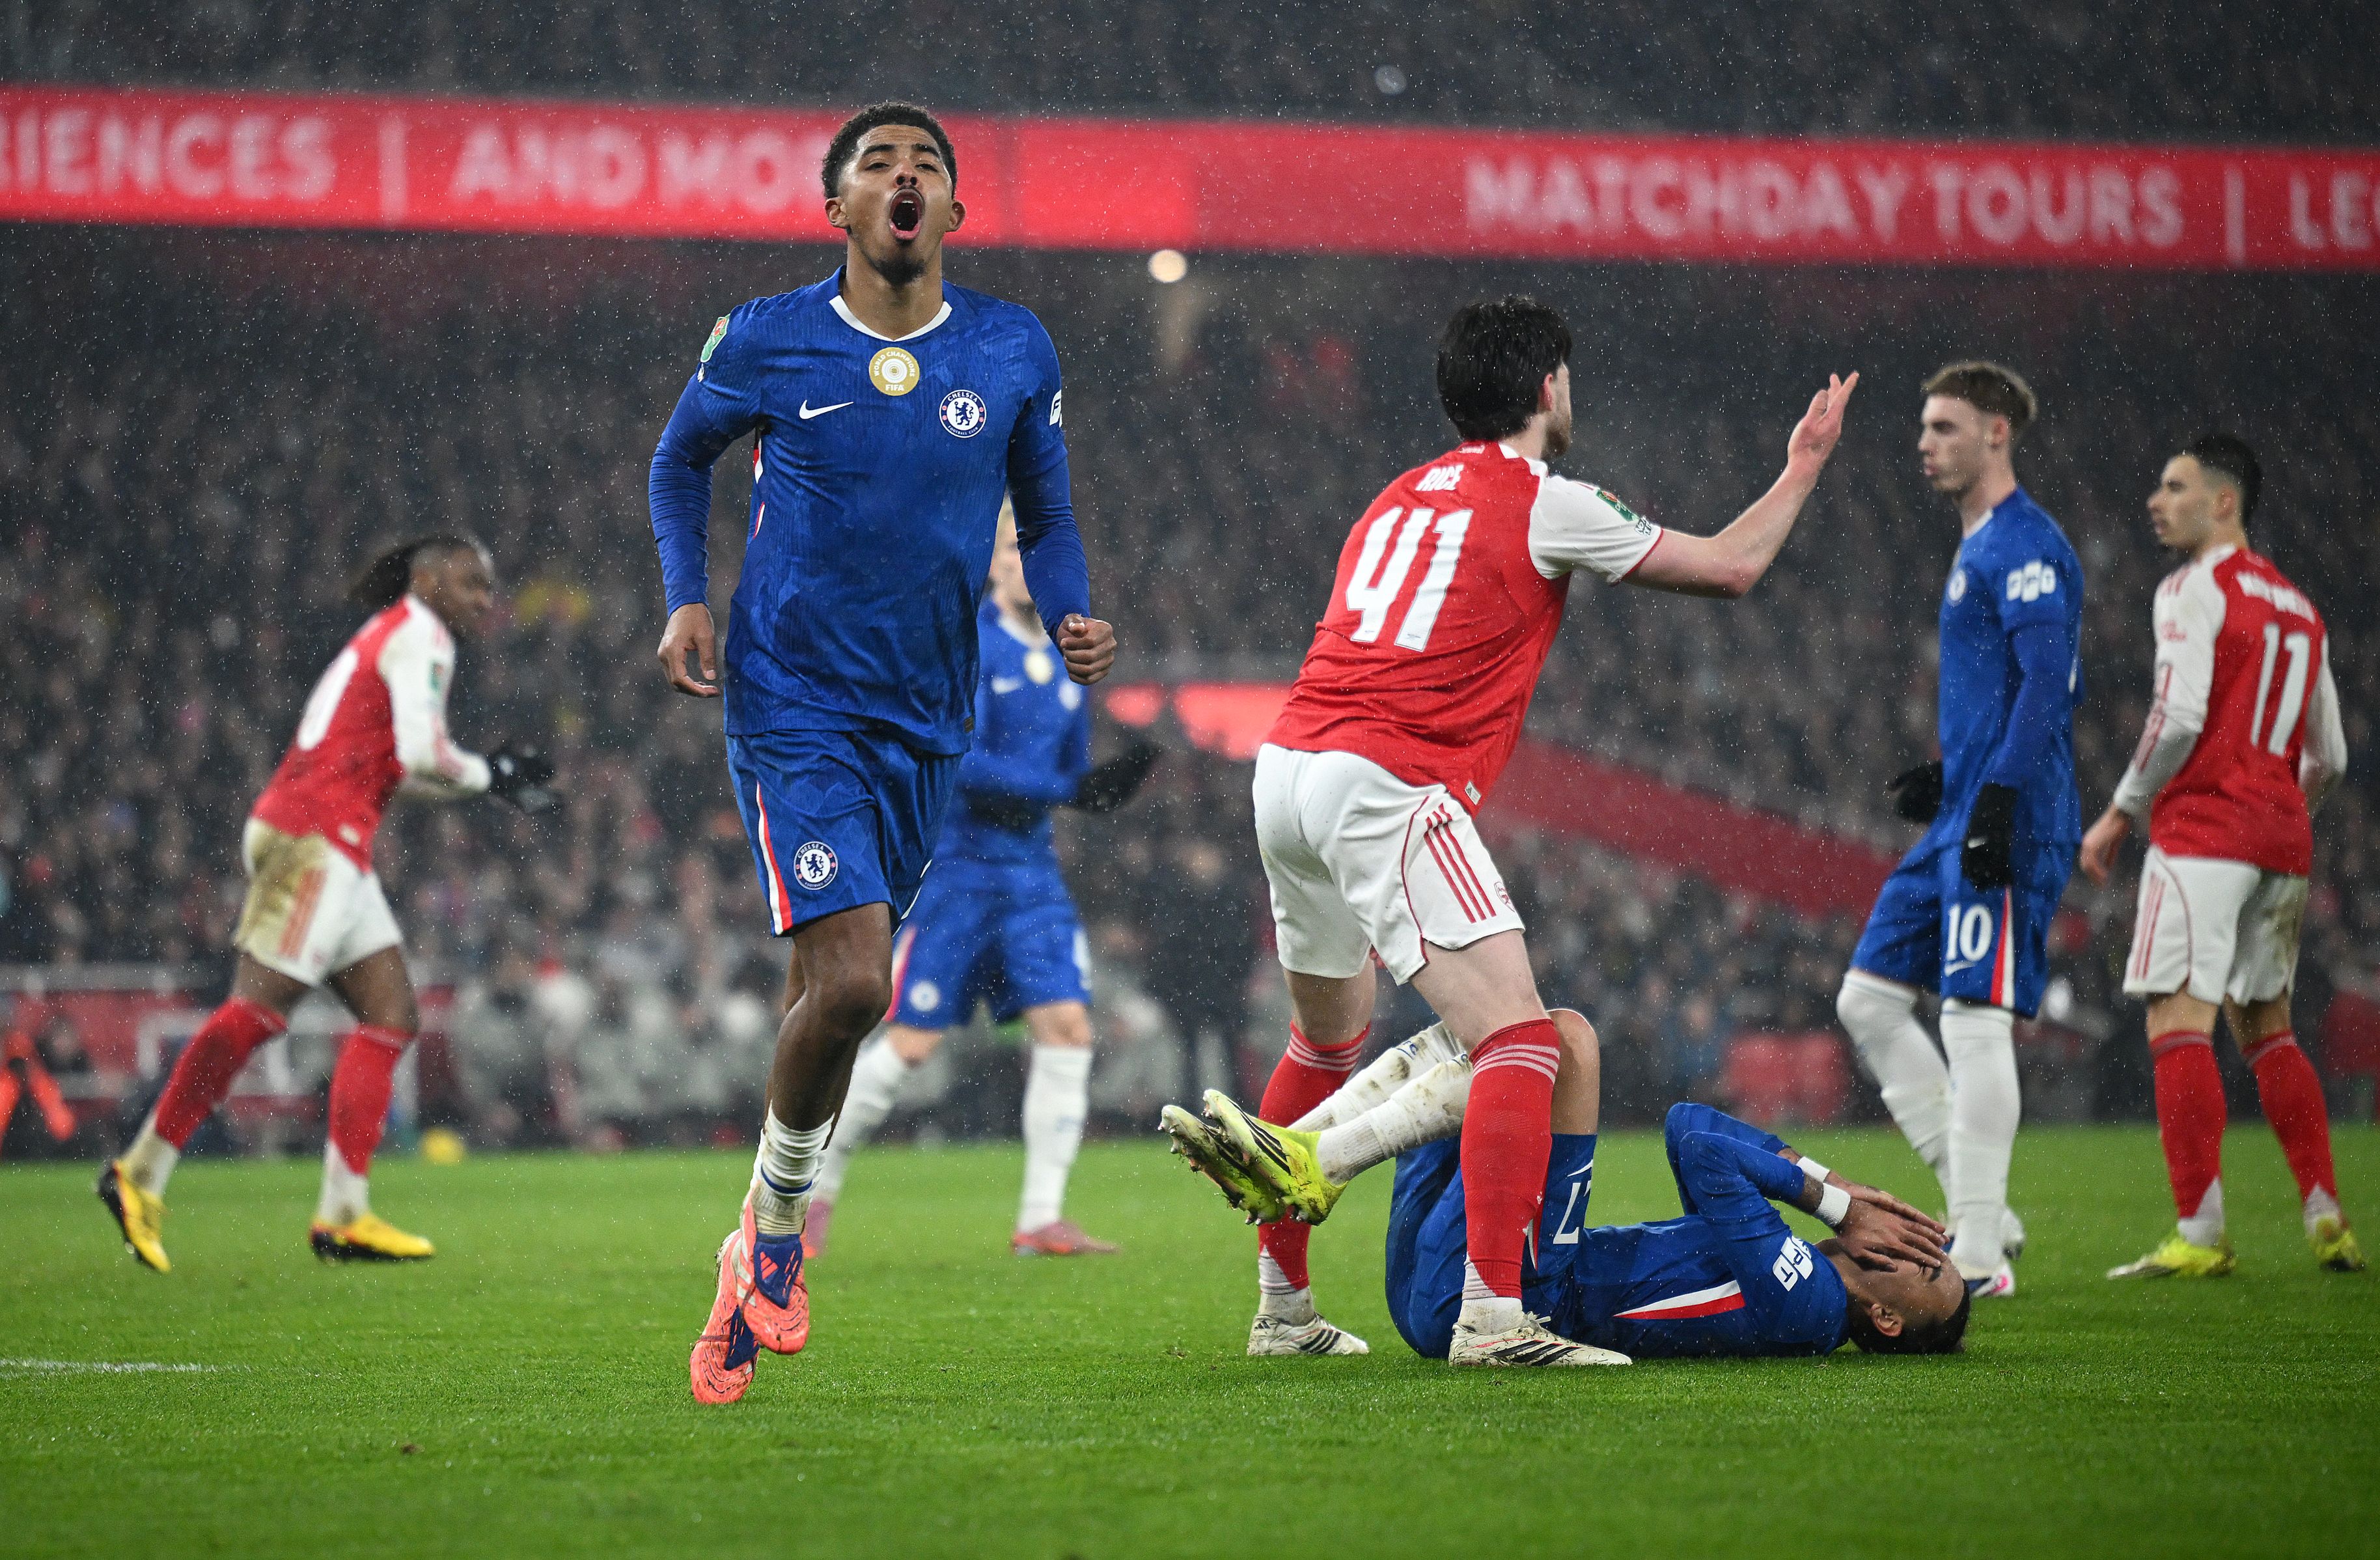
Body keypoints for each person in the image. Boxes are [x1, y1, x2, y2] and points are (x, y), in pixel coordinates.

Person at [1201, 294, 1857, 1365]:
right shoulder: (1544, 497)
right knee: (1521, 1039)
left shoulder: (1396, 496)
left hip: (1287, 766)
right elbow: (1731, 568)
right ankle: (1497, 1319)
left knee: (1325, 1038)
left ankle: (1283, 1313)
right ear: (1550, 385)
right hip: (1387, 778)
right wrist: (1802, 466)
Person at [648, 102, 1115, 1404]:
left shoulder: (1011, 347)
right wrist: (689, 593)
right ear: (838, 208)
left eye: (926, 167)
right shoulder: (768, 336)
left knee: (830, 992)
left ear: (952, 212)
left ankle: (753, 1231)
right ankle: (786, 1237)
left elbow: (1051, 514)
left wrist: (1071, 605)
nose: (904, 179)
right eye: (877, 166)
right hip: (793, 702)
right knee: (855, 989)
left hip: (929, 716)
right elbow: (676, 461)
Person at [96, 536, 556, 1273]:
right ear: (429, 579)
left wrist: (487, 781)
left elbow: (398, 766)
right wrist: (490, 770)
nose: (483, 599)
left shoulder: (393, 635)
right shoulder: (421, 635)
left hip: (327, 833)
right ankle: (138, 1172)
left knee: (389, 1015)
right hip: (316, 835)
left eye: (489, 586)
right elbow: (427, 755)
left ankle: (344, 1212)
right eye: (472, 583)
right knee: (258, 1010)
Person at [1165, 1014, 1965, 1363]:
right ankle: (1302, 1149)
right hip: (1464, 1287)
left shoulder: (1810, 1305)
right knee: (1486, 1032)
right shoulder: (1779, 1274)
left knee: (1560, 1043)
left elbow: (1697, 1139)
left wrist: (1834, 1200)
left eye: (1923, 1261)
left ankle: (1312, 1162)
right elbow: (1693, 1128)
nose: (1909, 1236)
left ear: (1887, 1317)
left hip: (1521, 1290)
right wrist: (1834, 1188)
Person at [806, 511, 1156, 1258]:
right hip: (959, 873)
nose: (1026, 564)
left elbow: (1059, 773)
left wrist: (1091, 788)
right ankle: (813, 1187)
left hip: (1031, 876)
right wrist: (1072, 787)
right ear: (991, 564)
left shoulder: (1069, 662)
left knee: (1067, 1030)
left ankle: (1039, 1217)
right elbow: (959, 760)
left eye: (1037, 550)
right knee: (910, 1043)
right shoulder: (972, 644)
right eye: (1011, 548)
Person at [2079, 436, 2362, 1278]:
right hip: (2282, 839)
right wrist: (2277, 809)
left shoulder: (2191, 589)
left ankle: (2200, 1234)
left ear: (2224, 502)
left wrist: (2119, 813)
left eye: (2175, 487)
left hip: (2204, 832)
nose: (2155, 501)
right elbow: (2333, 755)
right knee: (2268, 1030)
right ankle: (2327, 1214)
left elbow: (2177, 714)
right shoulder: (2300, 607)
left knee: (2177, 1020)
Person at [1834, 362, 2082, 1298]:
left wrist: (1998, 796)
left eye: (1944, 428)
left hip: (2008, 819)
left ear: (1996, 434)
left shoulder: (2027, 545)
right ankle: (1980, 1204)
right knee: (1868, 1000)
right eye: (1925, 428)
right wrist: (1955, 776)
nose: (1925, 444)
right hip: (1966, 810)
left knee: (1975, 1020)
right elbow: (2005, 690)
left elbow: (2048, 685)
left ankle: (1977, 1253)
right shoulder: (1979, 545)